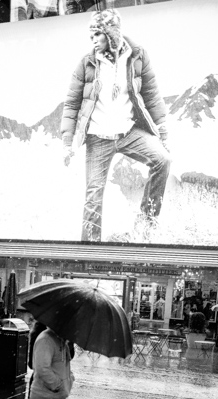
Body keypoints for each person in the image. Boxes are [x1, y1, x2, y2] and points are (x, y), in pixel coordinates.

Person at [61, 8, 171, 242]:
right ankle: (90, 249)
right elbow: (71, 105)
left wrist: (162, 130)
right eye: (91, 36)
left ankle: (146, 226)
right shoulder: (87, 63)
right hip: (98, 137)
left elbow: (151, 95)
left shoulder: (137, 55)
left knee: (163, 160)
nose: (93, 41)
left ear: (111, 34)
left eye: (97, 35)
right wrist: (67, 143)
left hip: (129, 131)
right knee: (93, 194)